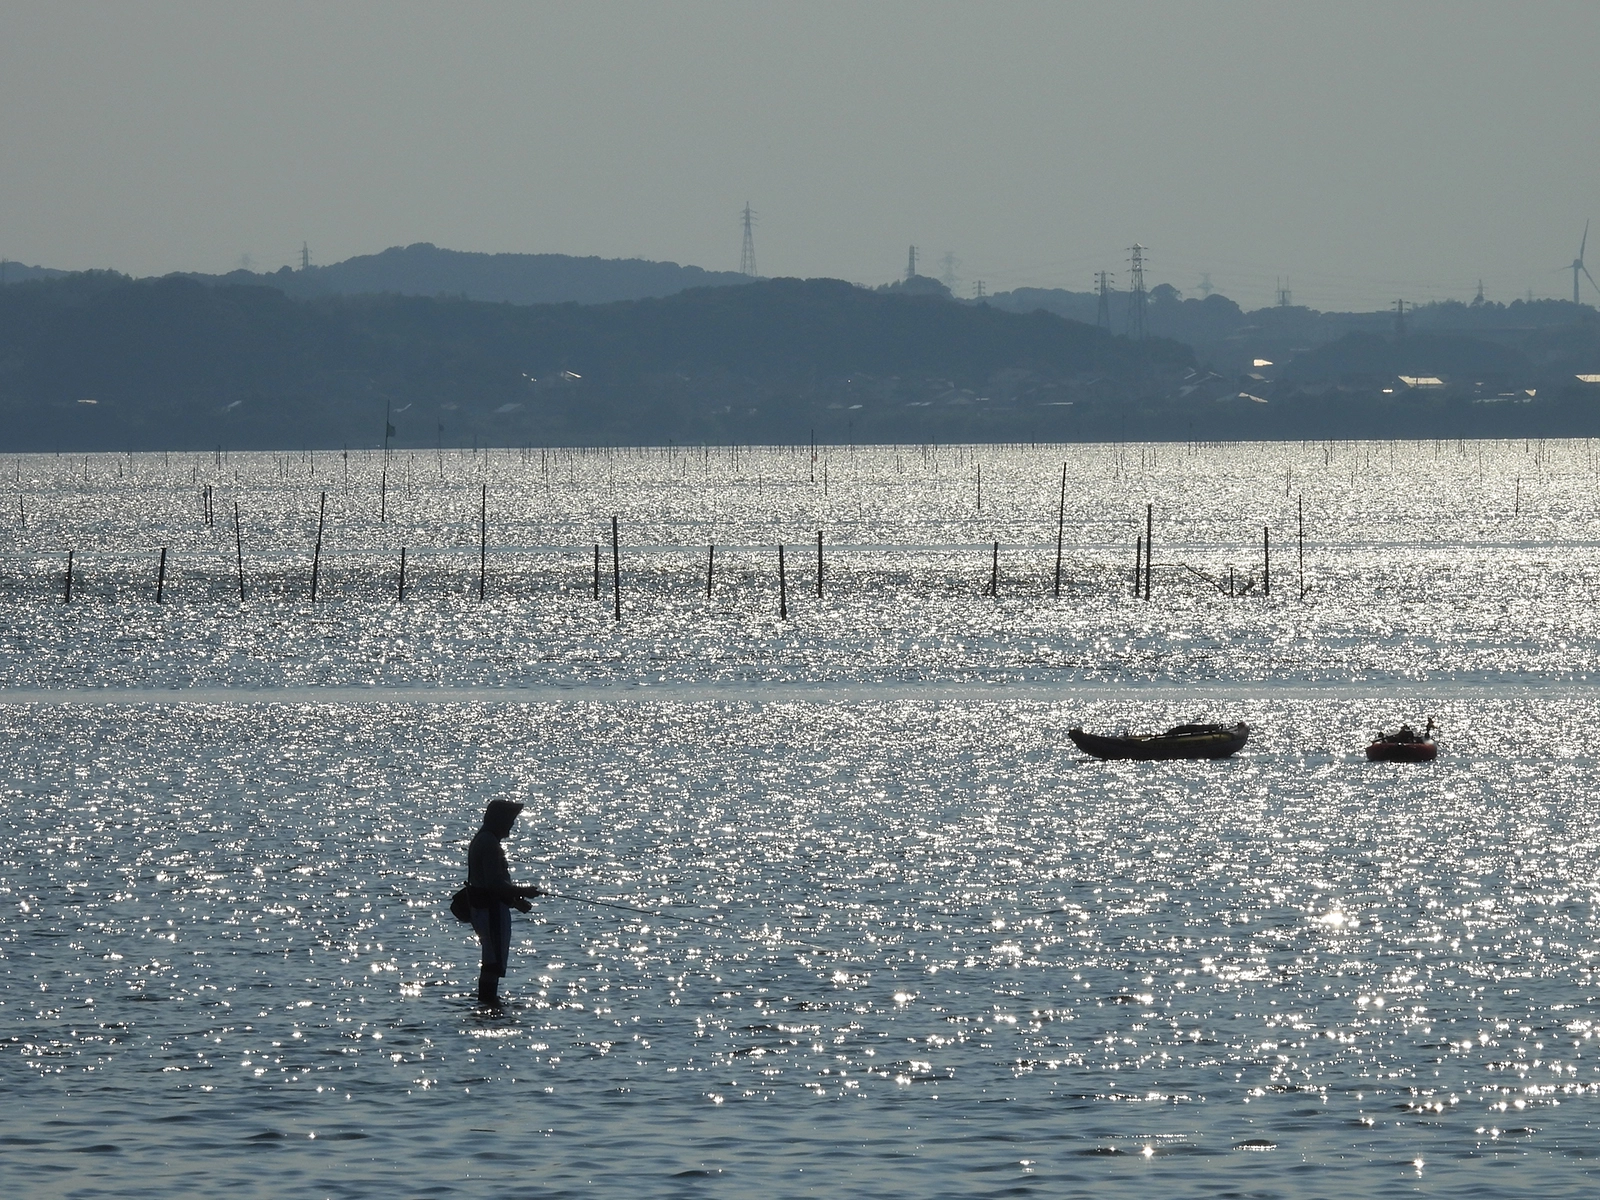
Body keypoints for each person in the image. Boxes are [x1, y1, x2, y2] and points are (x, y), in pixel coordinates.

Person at [467, 798, 542, 1006]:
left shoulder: (484, 839)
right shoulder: (489, 843)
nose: (511, 826)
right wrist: (523, 891)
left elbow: (493, 883)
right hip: (490, 911)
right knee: (492, 962)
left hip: (488, 908)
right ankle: (489, 1004)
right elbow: (493, 884)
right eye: (509, 821)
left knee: (492, 960)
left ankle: (488, 1005)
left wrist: (515, 901)